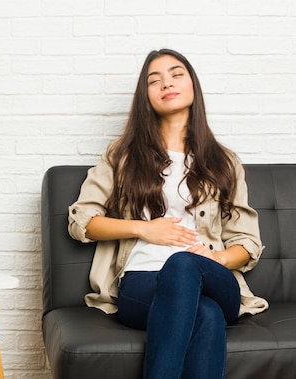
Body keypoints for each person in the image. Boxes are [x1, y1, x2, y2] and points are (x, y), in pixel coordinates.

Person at [67, 49, 269, 379]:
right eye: (154, 79)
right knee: (206, 315)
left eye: (176, 74)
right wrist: (143, 230)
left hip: (210, 276)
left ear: (193, 86)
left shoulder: (223, 161)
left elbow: (247, 243)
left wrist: (216, 260)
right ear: (145, 96)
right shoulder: (123, 155)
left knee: (185, 263)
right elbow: (82, 221)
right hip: (142, 282)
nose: (166, 83)